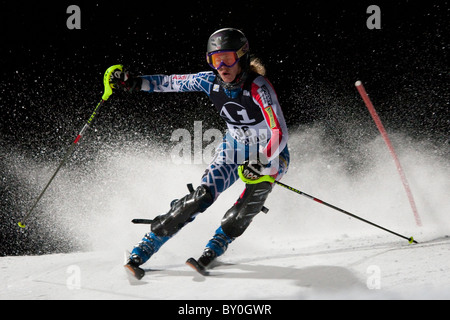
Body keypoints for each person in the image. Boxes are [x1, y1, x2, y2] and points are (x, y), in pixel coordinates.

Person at [113, 28, 290, 279]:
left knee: (249, 201)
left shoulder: (258, 87)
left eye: (227, 59)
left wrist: (260, 159)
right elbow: (171, 82)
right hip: (234, 148)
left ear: (241, 57)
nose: (221, 67)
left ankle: (216, 246)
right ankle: (146, 246)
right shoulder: (209, 81)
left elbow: (279, 133)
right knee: (201, 197)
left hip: (270, 153)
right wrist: (135, 81)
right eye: (215, 60)